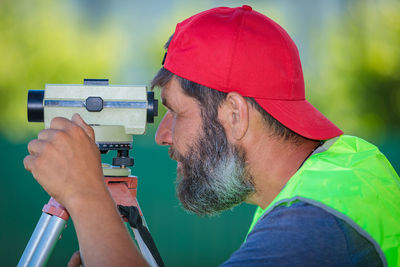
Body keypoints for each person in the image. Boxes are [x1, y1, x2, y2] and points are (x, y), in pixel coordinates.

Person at [24, 5, 400, 267]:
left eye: (175, 111)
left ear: (234, 115)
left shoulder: (314, 225)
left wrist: (85, 194)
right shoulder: (339, 174)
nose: (162, 135)